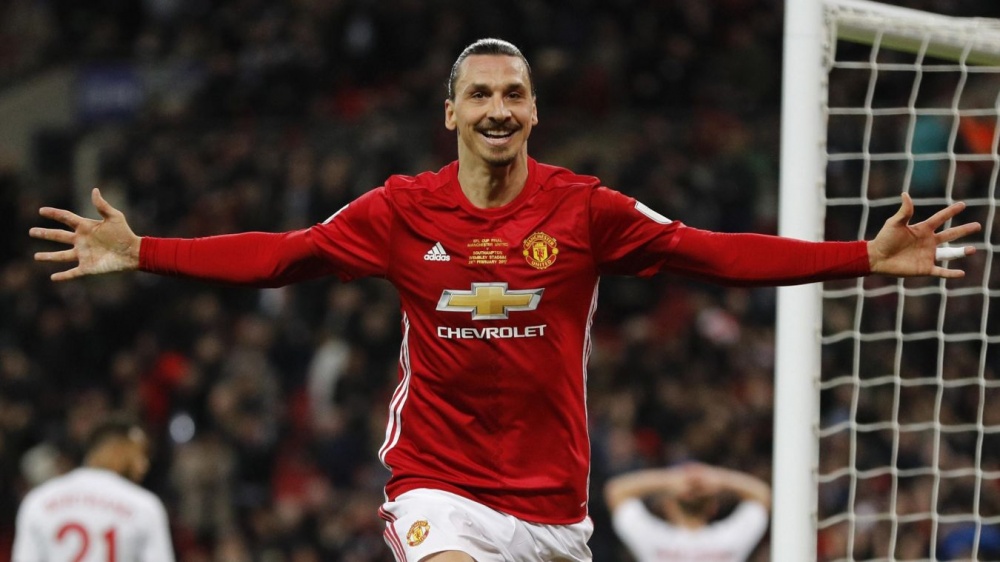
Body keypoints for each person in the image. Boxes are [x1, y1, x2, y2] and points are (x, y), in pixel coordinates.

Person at [28, 38, 979, 562]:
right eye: (479, 94)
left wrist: (863, 255)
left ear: (533, 111)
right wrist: (144, 250)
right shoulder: (401, 210)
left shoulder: (586, 210)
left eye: (513, 94)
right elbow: (282, 257)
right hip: (438, 484)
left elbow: (713, 254)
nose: (497, 109)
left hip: (554, 506)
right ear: (450, 112)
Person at [11, 416, 175, 562]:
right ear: (117, 450)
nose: (144, 466)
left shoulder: (39, 500)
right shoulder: (144, 506)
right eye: (139, 454)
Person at [604, 462, 772, 562]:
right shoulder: (729, 539)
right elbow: (763, 495)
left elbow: (616, 491)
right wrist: (717, 478)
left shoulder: (653, 538)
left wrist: (670, 480)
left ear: (668, 506)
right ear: (713, 508)